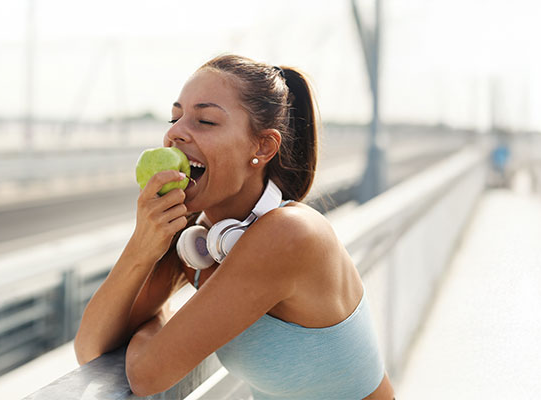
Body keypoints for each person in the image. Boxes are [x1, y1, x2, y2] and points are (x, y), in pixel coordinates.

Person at [73, 54, 394, 399]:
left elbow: (147, 375)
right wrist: (142, 245)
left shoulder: (290, 234)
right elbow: (91, 349)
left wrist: (158, 322)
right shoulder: (198, 240)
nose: (175, 132)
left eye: (205, 121)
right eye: (175, 117)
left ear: (262, 147)